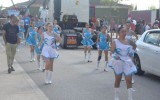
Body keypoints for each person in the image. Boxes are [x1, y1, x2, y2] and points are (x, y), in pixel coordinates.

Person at [108, 26, 137, 100]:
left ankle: (130, 98)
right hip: (118, 62)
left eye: (125, 32)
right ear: (118, 33)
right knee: (118, 80)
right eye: (122, 32)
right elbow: (111, 53)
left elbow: (134, 46)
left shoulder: (129, 41)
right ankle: (116, 96)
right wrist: (115, 56)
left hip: (127, 62)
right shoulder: (115, 42)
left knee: (129, 81)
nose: (124, 33)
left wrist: (132, 53)